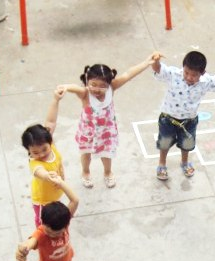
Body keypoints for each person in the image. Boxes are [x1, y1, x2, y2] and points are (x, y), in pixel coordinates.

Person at [59, 57, 155, 188]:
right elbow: (75, 88)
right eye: (93, 84)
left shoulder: (112, 88)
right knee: (86, 153)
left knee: (107, 154)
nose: (97, 89)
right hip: (88, 132)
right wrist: (65, 87)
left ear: (109, 84)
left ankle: (108, 172)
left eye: (102, 86)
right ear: (87, 81)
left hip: (106, 132)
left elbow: (128, 74)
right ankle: (85, 172)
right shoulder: (85, 93)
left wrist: (146, 63)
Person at [152, 51, 215, 181]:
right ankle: (162, 163)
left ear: (202, 73)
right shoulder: (173, 74)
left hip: (189, 121)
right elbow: (159, 69)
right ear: (183, 68)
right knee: (164, 143)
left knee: (187, 144)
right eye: (186, 73)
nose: (189, 77)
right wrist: (156, 61)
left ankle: (185, 162)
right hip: (168, 119)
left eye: (194, 75)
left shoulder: (206, 81)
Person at [21, 88, 76, 227]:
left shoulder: (51, 143)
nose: (41, 154)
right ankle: (39, 239)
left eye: (44, 149)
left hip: (55, 194)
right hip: (43, 200)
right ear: (29, 151)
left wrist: (56, 100)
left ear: (49, 141)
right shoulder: (35, 163)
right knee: (42, 224)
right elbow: (40, 172)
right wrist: (48, 176)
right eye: (35, 152)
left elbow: (51, 121)